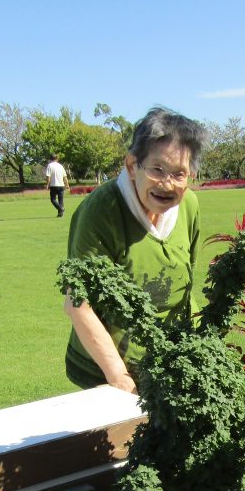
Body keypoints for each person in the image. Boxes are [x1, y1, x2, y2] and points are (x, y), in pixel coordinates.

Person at [63, 106, 209, 393]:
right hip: (106, 369)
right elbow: (79, 304)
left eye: (179, 174)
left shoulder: (189, 205)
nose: (167, 184)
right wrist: (118, 376)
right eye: (157, 169)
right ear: (132, 166)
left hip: (167, 364)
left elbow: (185, 286)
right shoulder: (101, 211)